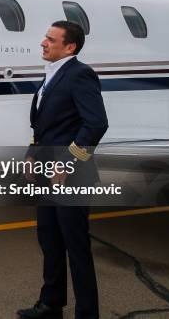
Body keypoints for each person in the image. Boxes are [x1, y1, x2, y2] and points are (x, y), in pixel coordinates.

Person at [18, 21, 109, 319]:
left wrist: (69, 160)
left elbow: (95, 123)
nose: (43, 42)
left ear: (69, 47)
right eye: (45, 37)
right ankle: (51, 304)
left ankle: (87, 313)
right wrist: (33, 155)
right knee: (49, 240)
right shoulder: (51, 76)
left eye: (50, 39)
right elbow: (44, 126)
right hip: (47, 172)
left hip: (71, 174)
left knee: (76, 247)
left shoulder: (80, 74)